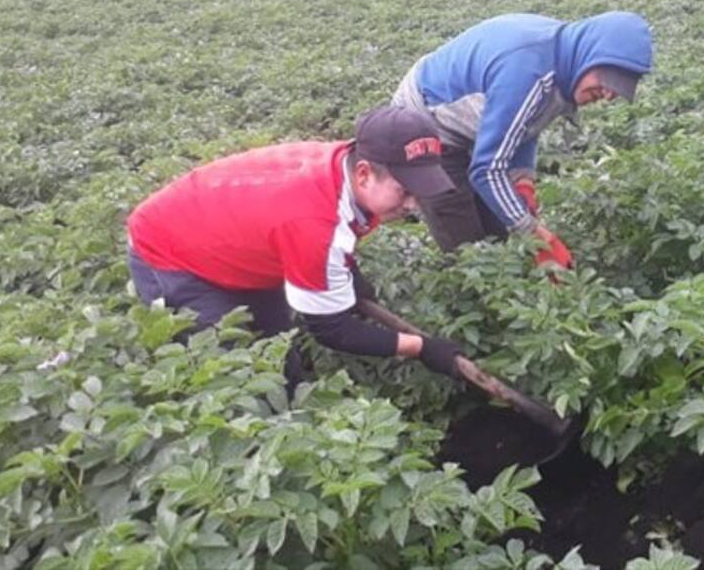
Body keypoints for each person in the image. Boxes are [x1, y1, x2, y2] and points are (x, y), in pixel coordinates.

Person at [126, 105, 465, 380]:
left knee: (278, 349)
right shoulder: (314, 223)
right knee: (235, 377)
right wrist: (421, 347)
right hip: (170, 252)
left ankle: (292, 400)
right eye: (405, 190)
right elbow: (332, 330)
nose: (411, 205)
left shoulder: (345, 166)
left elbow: (338, 231)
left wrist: (348, 277)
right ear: (364, 173)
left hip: (232, 241)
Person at [391, 11, 653, 264]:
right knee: (466, 245)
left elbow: (526, 123)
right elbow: (486, 171)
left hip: (467, 122)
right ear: (590, 55)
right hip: (423, 119)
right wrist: (536, 234)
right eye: (606, 80)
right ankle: (471, 298)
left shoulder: (564, 60)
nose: (608, 94)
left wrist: (522, 180)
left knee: (498, 231)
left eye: (617, 88)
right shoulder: (529, 70)